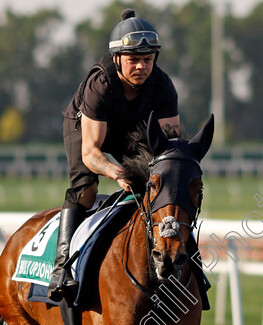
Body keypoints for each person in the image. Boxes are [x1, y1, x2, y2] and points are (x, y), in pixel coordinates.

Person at [47, 8, 182, 302]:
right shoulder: (100, 85)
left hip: (130, 128)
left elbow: (171, 144)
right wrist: (116, 172)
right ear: (117, 58)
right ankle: (62, 268)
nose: (141, 67)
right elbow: (92, 153)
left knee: (165, 184)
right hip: (85, 129)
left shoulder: (163, 86)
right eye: (133, 60)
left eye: (148, 60)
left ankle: (183, 261)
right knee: (87, 188)